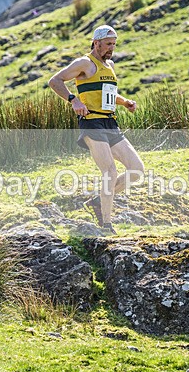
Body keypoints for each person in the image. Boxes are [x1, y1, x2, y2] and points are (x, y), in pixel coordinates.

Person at [48, 24, 145, 235]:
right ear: (96, 43)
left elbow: (106, 94)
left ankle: (98, 202)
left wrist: (124, 102)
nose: (112, 48)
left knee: (137, 170)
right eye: (108, 44)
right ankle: (107, 225)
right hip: (91, 123)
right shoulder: (84, 63)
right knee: (110, 171)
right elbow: (54, 81)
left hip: (110, 123)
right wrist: (73, 100)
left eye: (114, 44)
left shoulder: (110, 65)